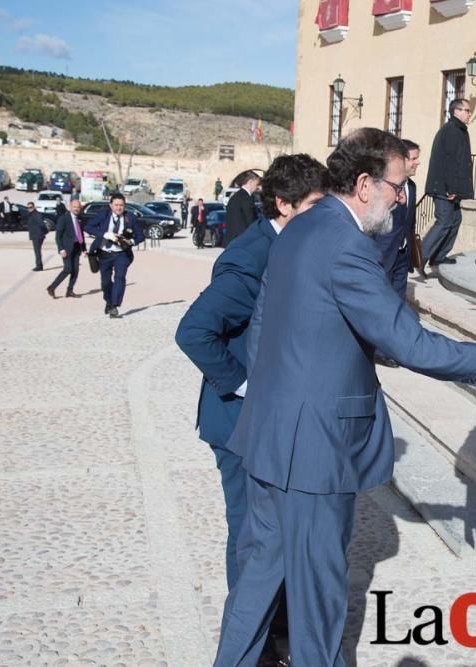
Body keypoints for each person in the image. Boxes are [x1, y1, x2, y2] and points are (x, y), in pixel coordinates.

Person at [212, 128, 476, 667]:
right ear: (364, 184)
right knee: (319, 602)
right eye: (398, 185)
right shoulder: (345, 244)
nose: (403, 197)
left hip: (269, 434)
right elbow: (406, 341)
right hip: (313, 451)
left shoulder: (300, 227)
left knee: (257, 584)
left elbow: (268, 329)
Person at [176, 154, 326, 667]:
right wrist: (245, 385)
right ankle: (253, 650)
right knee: (250, 538)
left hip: (271, 424)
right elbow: (193, 331)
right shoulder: (252, 256)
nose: (320, 215)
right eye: (311, 206)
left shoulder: (293, 244)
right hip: (237, 424)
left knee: (274, 535)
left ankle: (275, 628)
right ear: (282, 204)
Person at [421, 98, 474, 270]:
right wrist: (451, 188)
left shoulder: (459, 130)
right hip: (444, 187)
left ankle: (438, 256)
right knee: (444, 221)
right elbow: (451, 161)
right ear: (456, 112)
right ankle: (418, 258)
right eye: (467, 110)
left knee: (455, 219)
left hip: (450, 187)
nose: (469, 114)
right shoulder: (452, 131)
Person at [84, 192, 144, 319]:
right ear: (111, 205)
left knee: (120, 278)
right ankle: (109, 301)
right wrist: (104, 234)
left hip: (121, 254)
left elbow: (140, 236)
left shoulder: (130, 217)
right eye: (116, 205)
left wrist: (131, 241)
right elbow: (88, 227)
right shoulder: (103, 215)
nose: (118, 208)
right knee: (105, 282)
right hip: (104, 253)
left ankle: (114, 306)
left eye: (121, 205)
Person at [373, 139, 420, 301]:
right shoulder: (383, 186)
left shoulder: (412, 187)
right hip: (384, 253)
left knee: (398, 299)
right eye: (413, 159)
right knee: (380, 298)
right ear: (402, 160)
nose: (417, 163)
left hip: (402, 255)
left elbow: (410, 222)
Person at [46, 198, 85, 299]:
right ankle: (52, 287)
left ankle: (70, 290)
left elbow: (81, 234)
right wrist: (61, 249)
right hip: (67, 248)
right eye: (74, 207)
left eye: (78, 207)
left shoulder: (79, 218)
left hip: (77, 247)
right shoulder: (63, 218)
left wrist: (84, 248)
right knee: (68, 269)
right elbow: (58, 235)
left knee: (75, 270)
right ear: (70, 207)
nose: (76, 209)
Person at [223, 170, 261, 247]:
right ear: (250, 182)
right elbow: (250, 221)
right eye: (256, 184)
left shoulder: (234, 197)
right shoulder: (247, 198)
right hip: (243, 241)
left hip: (231, 240)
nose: (257, 187)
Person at [26, 202, 48, 271]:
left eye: (30, 207)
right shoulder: (31, 214)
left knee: (37, 251)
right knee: (37, 251)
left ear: (34, 207)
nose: (29, 209)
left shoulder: (37, 214)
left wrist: (45, 231)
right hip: (35, 235)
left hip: (38, 235)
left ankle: (39, 266)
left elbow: (42, 224)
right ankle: (39, 265)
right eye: (28, 207)